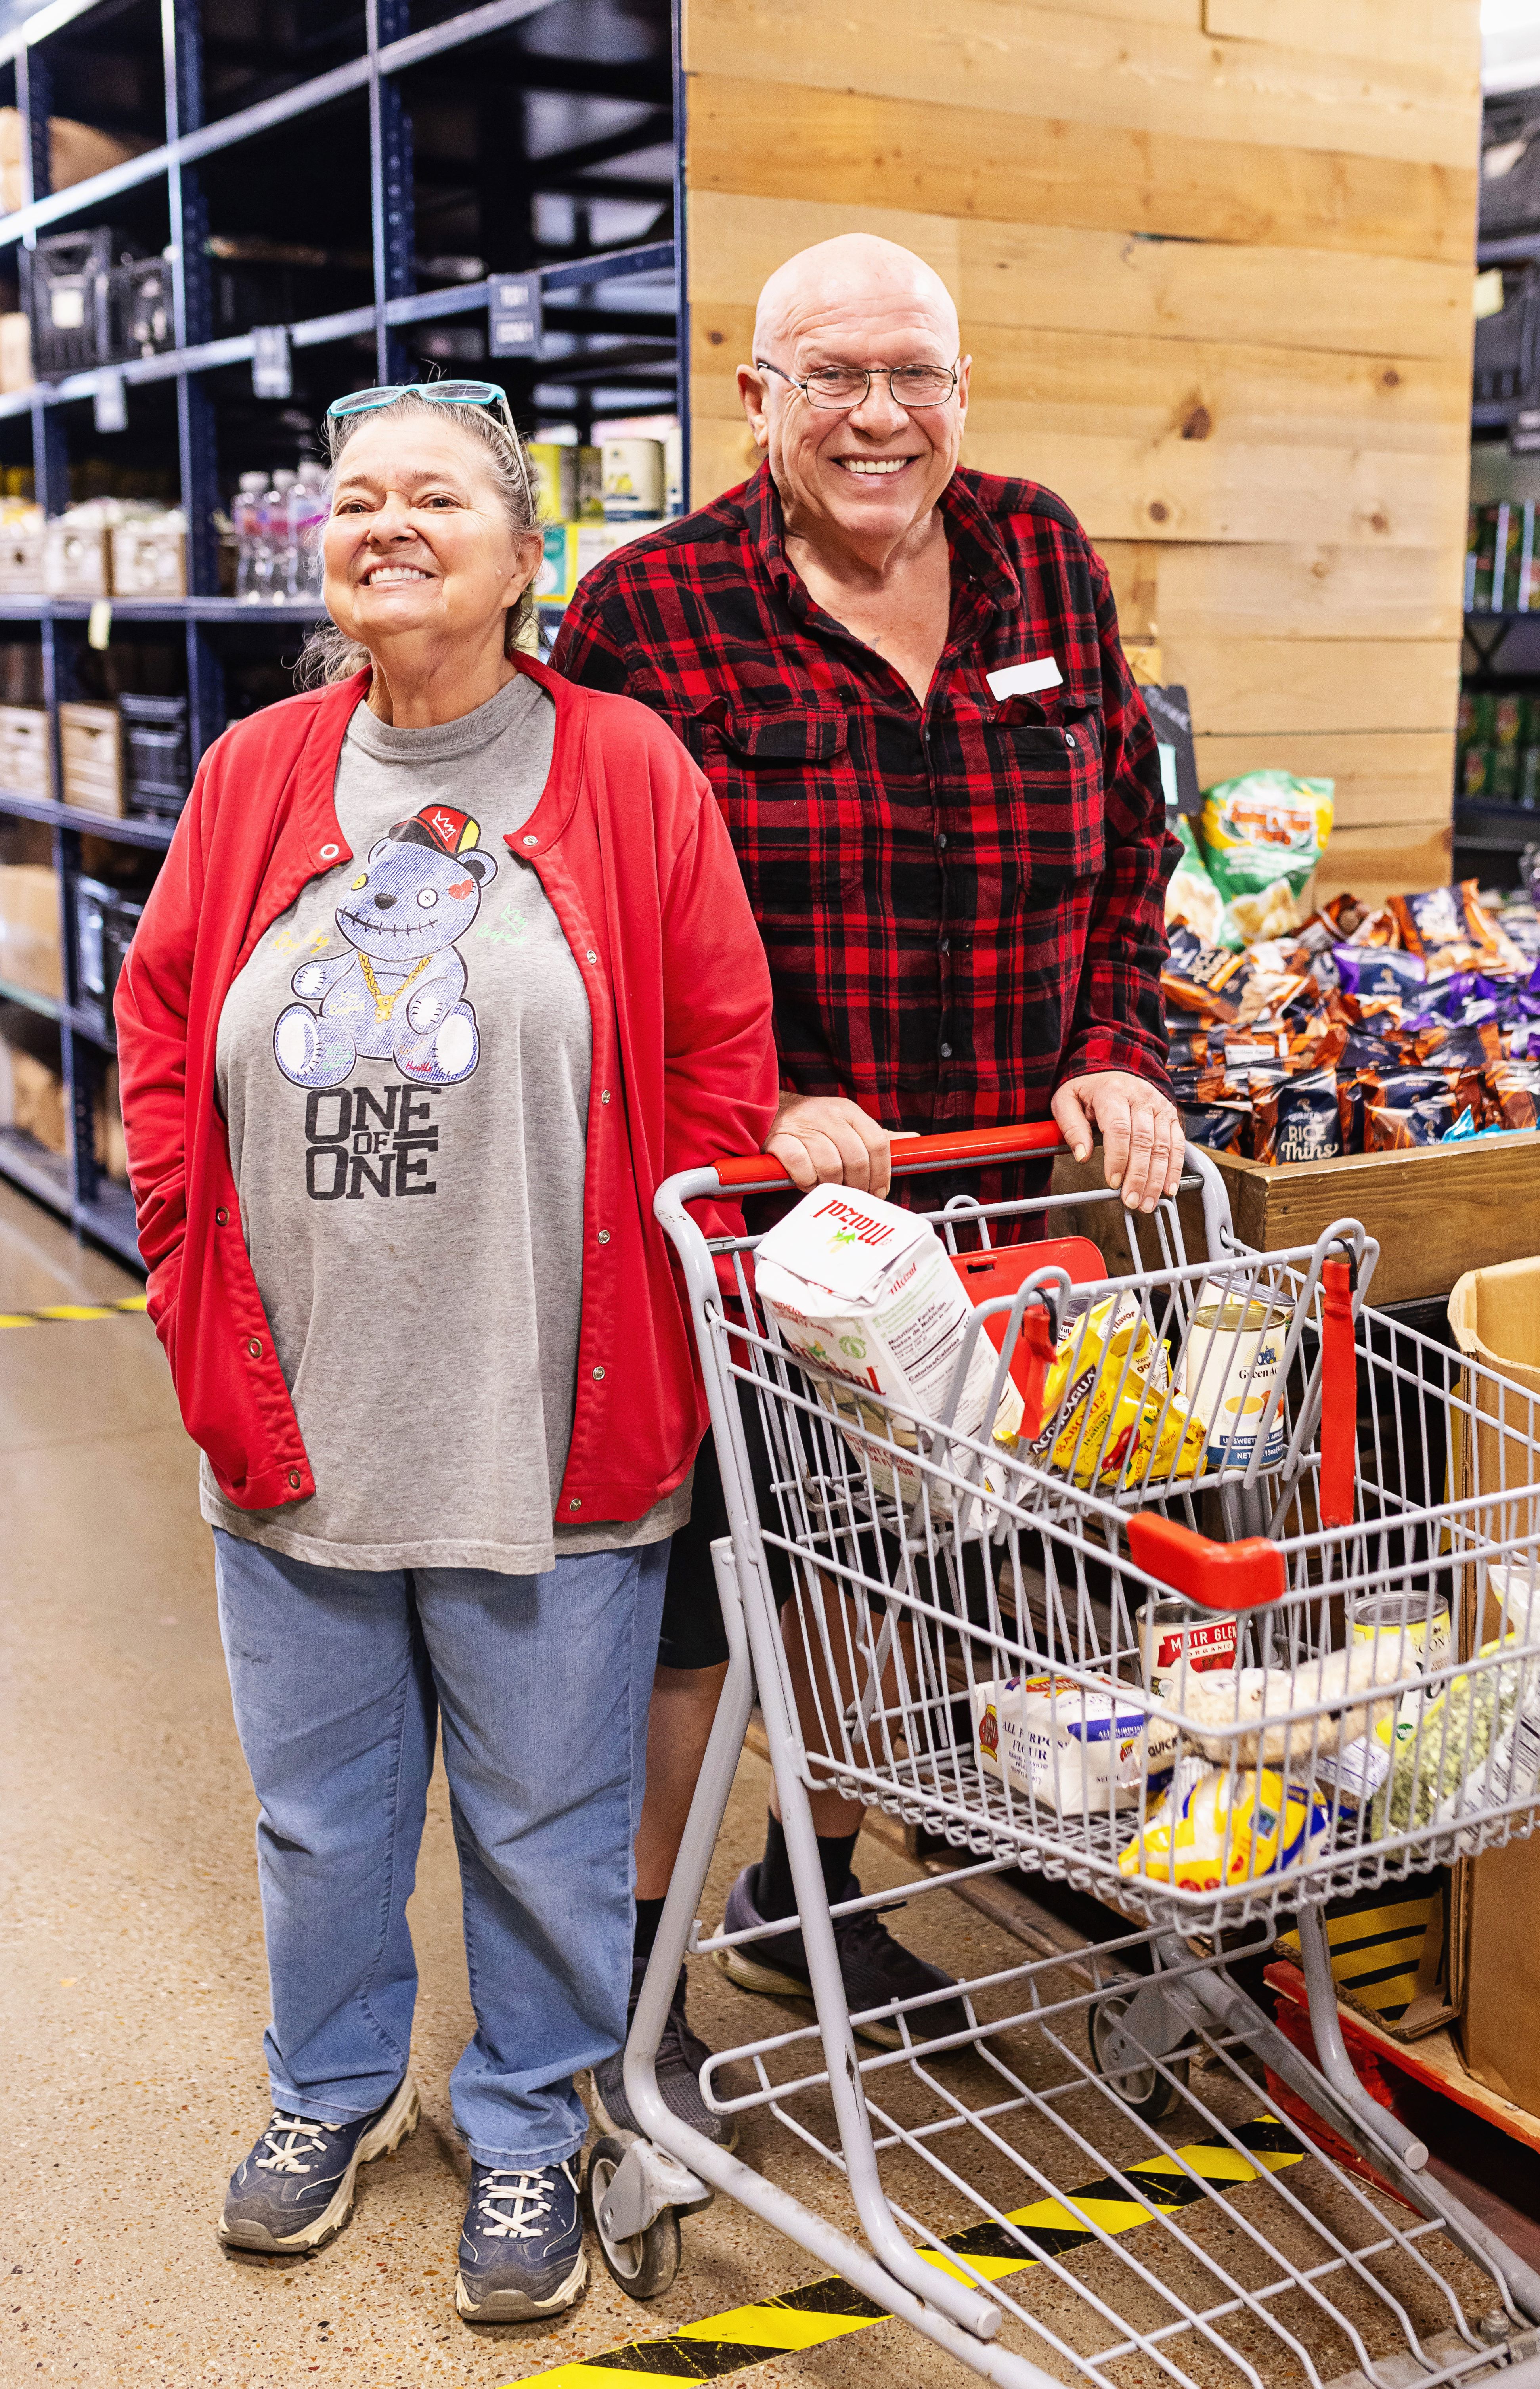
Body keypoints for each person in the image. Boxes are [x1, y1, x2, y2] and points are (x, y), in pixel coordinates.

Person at [115, 381, 776, 2323]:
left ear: (520, 554)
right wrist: (181, 1269)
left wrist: (672, 1306)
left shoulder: (629, 767)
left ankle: (526, 2124)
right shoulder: (256, 772)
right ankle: (328, 2093)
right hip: (298, 1410)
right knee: (320, 1808)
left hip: (546, 1414)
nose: (384, 524)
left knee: (547, 1814)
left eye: (434, 499)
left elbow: (722, 1060)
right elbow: (163, 1030)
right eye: (354, 498)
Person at [554, 234, 1182, 2136]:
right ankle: (636, 1968)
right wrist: (769, 1099)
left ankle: (802, 1889)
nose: (877, 414)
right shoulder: (648, 614)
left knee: (881, 1566)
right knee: (691, 1607)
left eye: (913, 373)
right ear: (755, 399)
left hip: (991, 1207)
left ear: (964, 390)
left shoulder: (1040, 551)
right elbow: (588, 930)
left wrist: (1115, 1044)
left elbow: (1135, 843)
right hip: (756, 1222)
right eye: (829, 375)